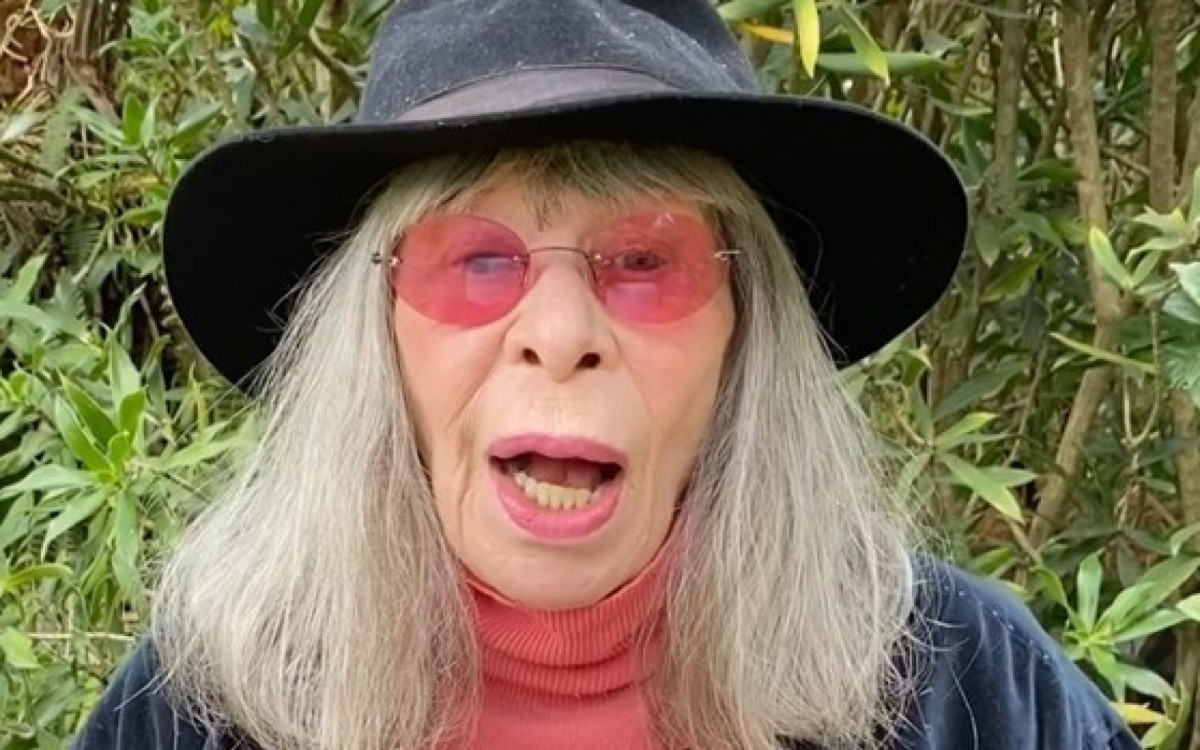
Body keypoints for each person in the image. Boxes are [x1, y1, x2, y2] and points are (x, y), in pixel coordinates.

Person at [74, 1, 1140, 748]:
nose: (559, 332)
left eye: (644, 260)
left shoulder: (973, 694)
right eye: (476, 259)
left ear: (743, 334)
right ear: (378, 333)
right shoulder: (204, 707)